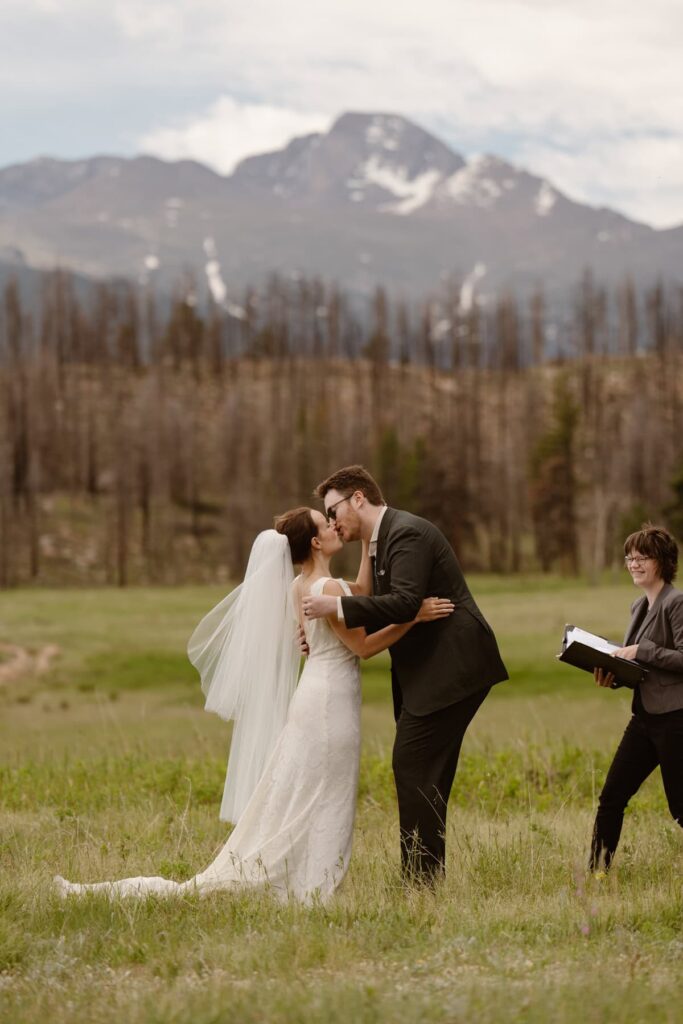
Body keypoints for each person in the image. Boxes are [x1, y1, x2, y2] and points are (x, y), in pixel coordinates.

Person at [54, 507, 453, 904]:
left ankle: (309, 871)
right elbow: (363, 648)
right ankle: (313, 880)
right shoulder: (327, 590)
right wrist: (412, 618)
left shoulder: (303, 585)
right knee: (325, 792)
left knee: (308, 789)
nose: (333, 525)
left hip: (315, 692)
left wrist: (368, 535)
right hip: (330, 702)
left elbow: (362, 594)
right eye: (324, 523)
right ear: (315, 542)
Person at [302, 466, 508, 884]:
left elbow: (404, 601)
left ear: (358, 498)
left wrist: (335, 609)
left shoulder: (406, 533)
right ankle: (425, 878)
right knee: (424, 772)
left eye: (334, 510)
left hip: (455, 667)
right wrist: (320, 627)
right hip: (433, 672)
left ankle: (420, 881)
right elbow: (381, 600)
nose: (334, 521)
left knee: (412, 764)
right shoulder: (379, 542)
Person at [590, 523, 683, 873]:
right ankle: (597, 875)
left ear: (663, 561)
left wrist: (643, 650)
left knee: (681, 809)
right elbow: (642, 671)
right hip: (644, 718)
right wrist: (612, 676)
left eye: (643, 556)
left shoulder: (677, 602)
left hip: (676, 719)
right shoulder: (637, 606)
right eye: (630, 557)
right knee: (611, 798)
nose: (634, 563)